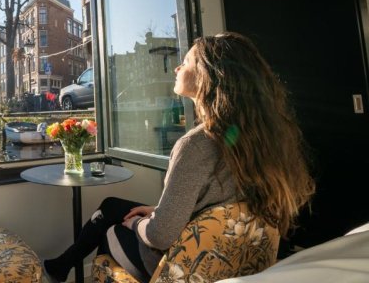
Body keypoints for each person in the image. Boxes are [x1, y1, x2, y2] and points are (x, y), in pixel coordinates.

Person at [43, 32, 315, 283]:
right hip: (229, 260)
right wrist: (157, 212)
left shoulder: (196, 145)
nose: (176, 68)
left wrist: (138, 223)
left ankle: (66, 267)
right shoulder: (261, 139)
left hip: (179, 267)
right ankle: (62, 265)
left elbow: (160, 236)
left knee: (112, 228)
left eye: (185, 62)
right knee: (112, 205)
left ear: (208, 75)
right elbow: (220, 205)